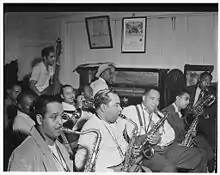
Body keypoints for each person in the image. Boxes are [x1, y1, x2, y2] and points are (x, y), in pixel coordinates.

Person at [121, 87, 207, 172]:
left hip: (164, 148)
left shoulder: (159, 115)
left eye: (158, 100)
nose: (155, 103)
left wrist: (160, 139)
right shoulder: (130, 110)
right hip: (145, 154)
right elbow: (121, 134)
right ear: (144, 98)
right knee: (169, 168)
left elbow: (171, 134)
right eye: (152, 99)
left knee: (200, 155)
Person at [74, 89, 151, 172]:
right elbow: (80, 163)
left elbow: (122, 145)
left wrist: (130, 150)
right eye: (116, 105)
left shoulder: (113, 123)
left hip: (124, 166)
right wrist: (113, 170)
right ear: (103, 107)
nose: (121, 109)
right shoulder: (91, 128)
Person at [8, 95, 73, 171]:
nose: (60, 122)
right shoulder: (21, 155)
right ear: (39, 119)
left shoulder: (60, 145)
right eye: (54, 117)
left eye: (61, 116)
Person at [162, 88, 214, 171]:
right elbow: (166, 135)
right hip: (173, 147)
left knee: (204, 152)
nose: (188, 102)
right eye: (186, 99)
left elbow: (180, 129)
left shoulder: (180, 112)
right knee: (201, 155)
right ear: (177, 98)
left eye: (189, 99)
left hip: (181, 143)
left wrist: (190, 132)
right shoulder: (167, 112)